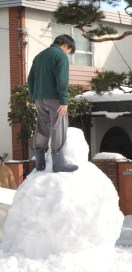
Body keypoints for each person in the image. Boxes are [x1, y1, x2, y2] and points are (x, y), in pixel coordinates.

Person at [27, 34, 79, 173]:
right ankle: (58, 164)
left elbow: (30, 79)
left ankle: (40, 162)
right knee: (58, 128)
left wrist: (34, 96)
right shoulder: (60, 56)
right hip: (55, 99)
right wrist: (64, 100)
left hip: (39, 99)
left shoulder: (39, 56)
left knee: (42, 127)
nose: (67, 53)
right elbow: (62, 80)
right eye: (69, 51)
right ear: (66, 45)